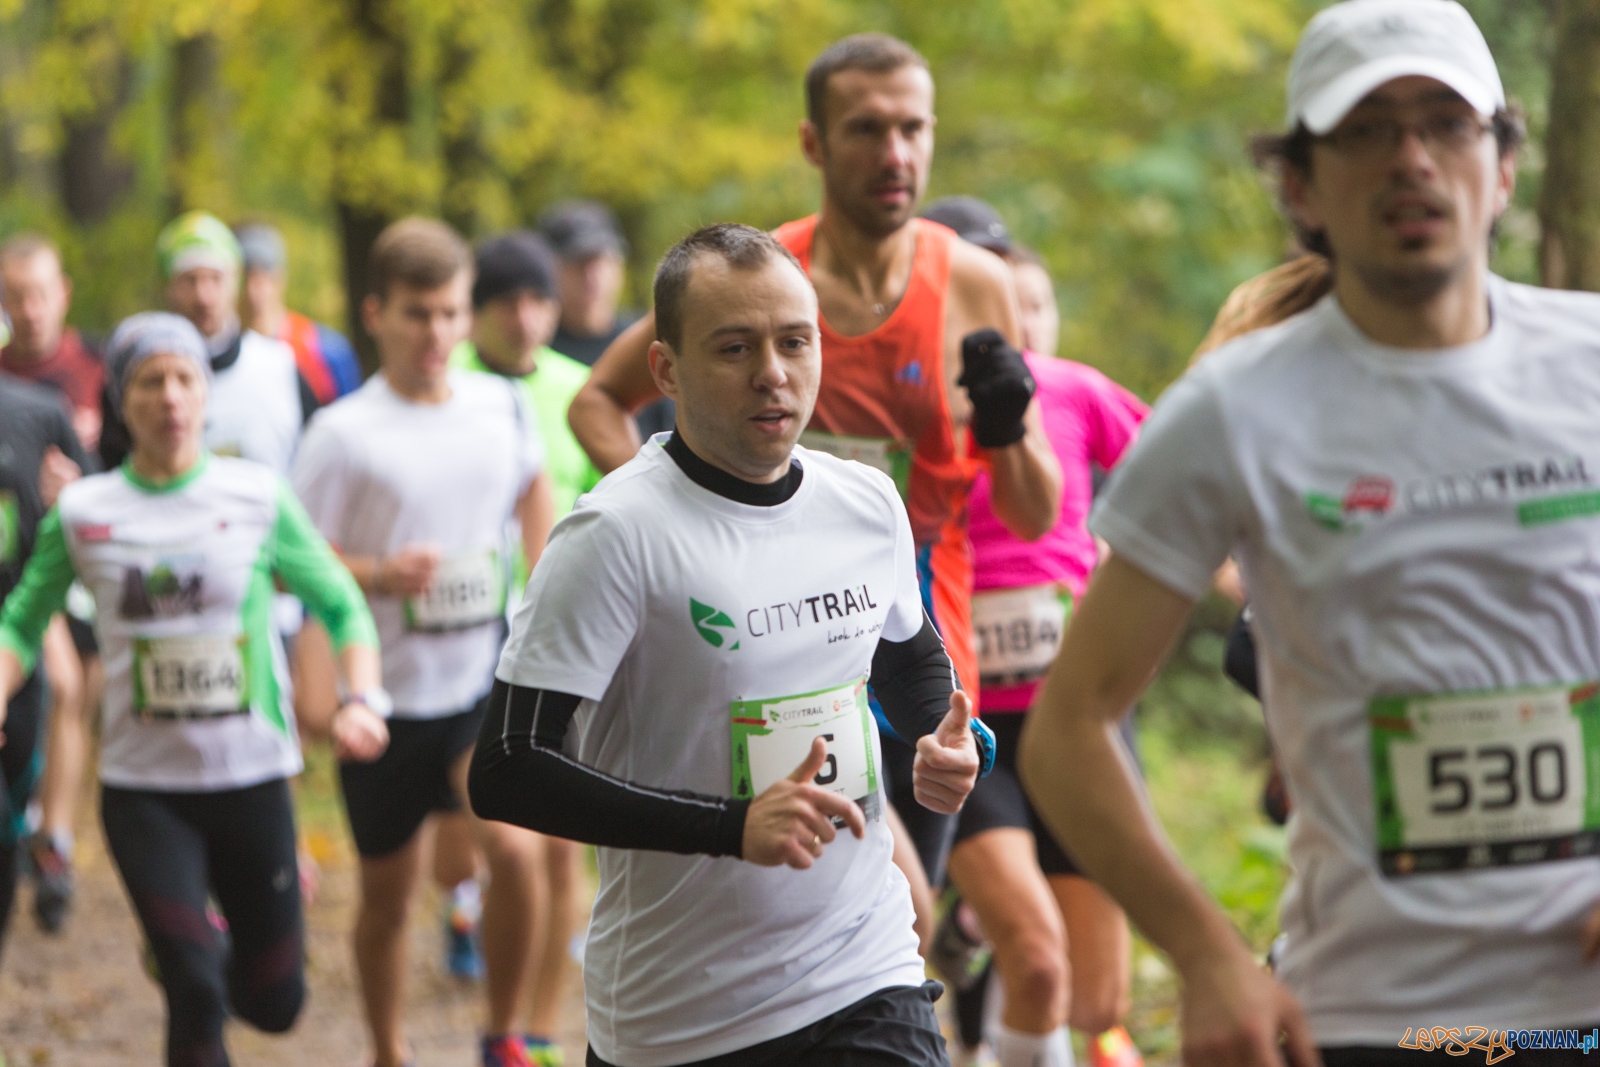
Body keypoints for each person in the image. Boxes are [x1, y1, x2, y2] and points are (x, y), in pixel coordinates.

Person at [1021, 3, 1600, 1065]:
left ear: (1503, 163)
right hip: (1376, 1017)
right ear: (1298, 184)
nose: (1410, 159)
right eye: (1366, 130)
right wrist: (1204, 953)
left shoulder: (1591, 364)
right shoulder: (1232, 411)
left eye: (1444, 123)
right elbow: (1067, 729)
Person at [568, 33, 1062, 924]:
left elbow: (1034, 514)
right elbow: (598, 401)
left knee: (897, 920)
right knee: (862, 902)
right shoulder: (762, 284)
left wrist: (1008, 425)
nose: (895, 154)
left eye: (913, 128)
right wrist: (680, 515)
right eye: (867, 129)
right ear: (814, 144)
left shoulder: (979, 284)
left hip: (921, 633)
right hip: (778, 625)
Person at [470, 221, 990, 1067]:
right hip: (683, 1014)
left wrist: (941, 737)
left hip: (864, 965)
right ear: (667, 369)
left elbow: (904, 656)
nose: (773, 374)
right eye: (734, 348)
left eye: (794, 342)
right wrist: (729, 824)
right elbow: (506, 767)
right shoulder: (614, 532)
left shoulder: (865, 501)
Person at [0, 312, 386, 1067]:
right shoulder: (84, 512)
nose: (170, 396)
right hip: (147, 791)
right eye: (150, 380)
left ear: (204, 396)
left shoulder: (256, 495)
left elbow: (341, 602)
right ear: (123, 400)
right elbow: (20, 621)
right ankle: (185, 955)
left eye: (184, 379)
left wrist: (364, 699)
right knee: (196, 990)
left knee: (276, 1004)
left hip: (252, 778)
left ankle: (201, 951)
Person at [291, 216, 558, 1067]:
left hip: (481, 681)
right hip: (385, 697)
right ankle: (387, 1048)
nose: (437, 334)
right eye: (417, 314)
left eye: (449, 313)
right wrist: (374, 571)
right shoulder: (343, 432)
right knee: (388, 901)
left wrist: (539, 589)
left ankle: (501, 1035)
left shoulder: (499, 402)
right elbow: (295, 556)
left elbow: (533, 487)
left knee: (515, 850)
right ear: (376, 314)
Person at [918, 197, 1148, 1067]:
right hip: (964, 719)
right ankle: (982, 916)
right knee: (1041, 955)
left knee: (1096, 994)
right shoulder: (905, 409)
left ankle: (973, 925)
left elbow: (1186, 494)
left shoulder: (1075, 389)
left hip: (1075, 710)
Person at [443, 229, 595, 1036]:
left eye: (539, 300)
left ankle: (533, 1031)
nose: (526, 318)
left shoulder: (580, 389)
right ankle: (461, 903)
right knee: (466, 843)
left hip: (567, 638)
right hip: (456, 650)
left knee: (560, 842)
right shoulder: (447, 385)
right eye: (508, 302)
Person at [0, 232, 104, 935]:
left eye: (40, 293)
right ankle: (39, 827)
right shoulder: (6, 375)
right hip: (29, 562)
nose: (30, 310)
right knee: (61, 682)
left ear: (62, 292)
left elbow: (117, 464)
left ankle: (53, 832)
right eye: (15, 297)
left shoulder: (96, 363)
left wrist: (80, 481)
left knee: (74, 687)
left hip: (76, 554)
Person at [0, 370, 90, 957]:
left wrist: (73, 500)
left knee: (4, 822)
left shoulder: (37, 411)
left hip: (13, 642)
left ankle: (46, 838)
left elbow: (104, 512)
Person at [541, 200, 675, 439]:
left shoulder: (643, 342)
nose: (592, 276)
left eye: (601, 261)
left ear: (619, 266)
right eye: (579, 263)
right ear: (550, 270)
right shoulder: (535, 350)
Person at [237, 222, 364, 405]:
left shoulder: (327, 350)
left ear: (281, 278)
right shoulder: (218, 352)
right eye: (245, 279)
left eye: (264, 277)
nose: (253, 292)